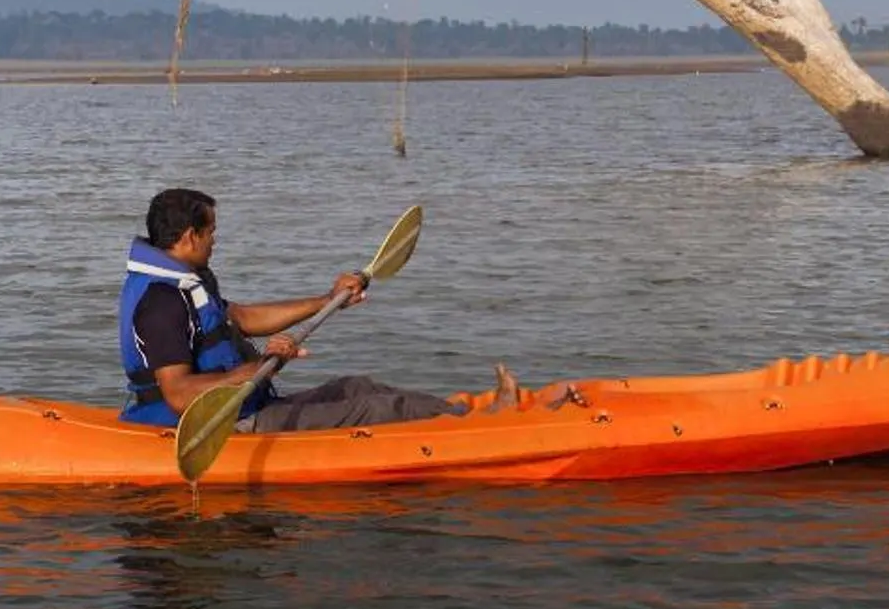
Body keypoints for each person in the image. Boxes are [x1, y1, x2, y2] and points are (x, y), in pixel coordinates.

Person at [118, 186, 578, 433]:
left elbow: (238, 318)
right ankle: (485, 425)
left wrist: (326, 300)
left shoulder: (188, 283)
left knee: (356, 385)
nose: (216, 238)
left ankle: (472, 415)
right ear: (189, 236)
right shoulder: (161, 302)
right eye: (211, 230)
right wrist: (262, 366)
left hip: (250, 403)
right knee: (379, 407)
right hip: (225, 426)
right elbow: (179, 395)